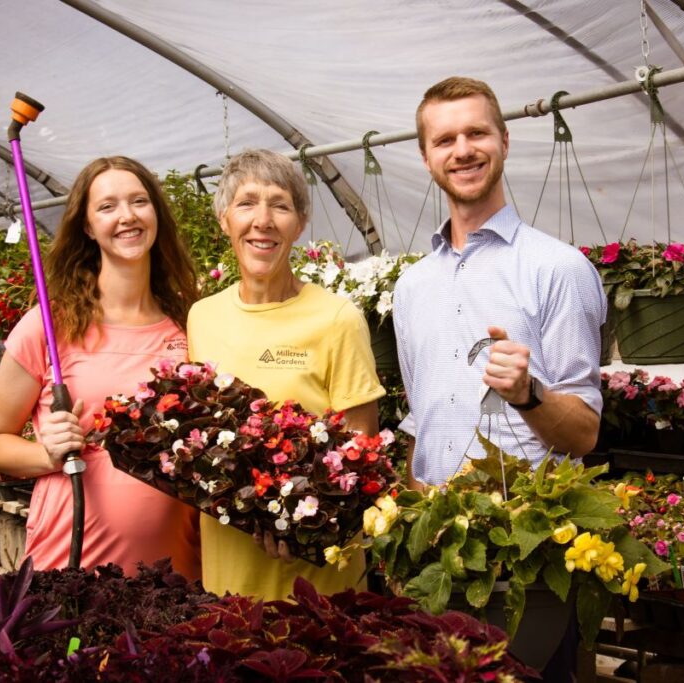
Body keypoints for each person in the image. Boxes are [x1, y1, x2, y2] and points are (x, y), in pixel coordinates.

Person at [394, 76, 605, 681]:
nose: (462, 150)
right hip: (436, 557)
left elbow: (585, 435)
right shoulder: (412, 288)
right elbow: (422, 421)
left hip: (526, 562)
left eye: (476, 133)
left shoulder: (557, 269)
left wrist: (529, 393)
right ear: (426, 155)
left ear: (505, 141)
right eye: (445, 139)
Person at [0, 156, 201, 580]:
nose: (127, 216)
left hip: (177, 572)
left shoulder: (192, 323)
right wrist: (46, 454)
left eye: (139, 201)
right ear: (86, 225)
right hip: (71, 563)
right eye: (107, 206)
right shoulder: (50, 325)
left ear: (156, 213)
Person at [186, 148, 385, 601]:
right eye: (247, 203)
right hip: (228, 576)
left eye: (279, 204)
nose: (263, 220)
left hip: (318, 585)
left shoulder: (336, 318)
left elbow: (361, 453)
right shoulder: (203, 317)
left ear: (299, 223)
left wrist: (301, 525)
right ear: (224, 221)